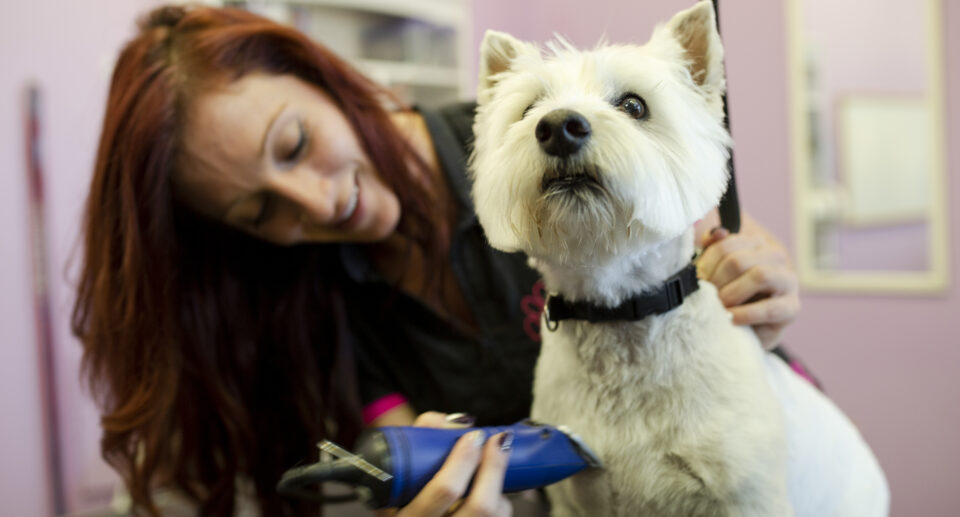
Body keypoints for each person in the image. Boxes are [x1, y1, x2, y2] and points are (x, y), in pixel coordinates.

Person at [71, 4, 802, 516]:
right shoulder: (314, 304)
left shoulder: (546, 158)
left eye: (294, 143)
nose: (316, 203)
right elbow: (384, 424)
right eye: (261, 210)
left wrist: (756, 290)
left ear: (320, 74)